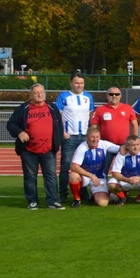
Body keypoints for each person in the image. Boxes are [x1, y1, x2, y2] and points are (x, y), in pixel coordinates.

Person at [8, 84, 65, 209]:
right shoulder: (23, 109)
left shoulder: (52, 107)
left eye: (41, 92)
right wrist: (20, 132)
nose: (39, 95)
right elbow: (11, 124)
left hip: (48, 149)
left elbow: (59, 125)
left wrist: (58, 140)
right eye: (36, 93)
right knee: (30, 176)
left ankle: (52, 201)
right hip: (28, 150)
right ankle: (32, 201)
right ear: (31, 95)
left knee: (50, 175)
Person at [56, 74, 94, 204]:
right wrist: (63, 132)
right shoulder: (63, 96)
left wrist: (90, 133)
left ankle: (82, 192)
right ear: (71, 83)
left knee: (84, 166)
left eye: (82, 83)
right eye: (77, 83)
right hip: (70, 137)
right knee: (66, 166)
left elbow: (91, 115)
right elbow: (57, 116)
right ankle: (63, 194)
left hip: (84, 137)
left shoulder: (88, 97)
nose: (79, 85)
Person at [67, 126, 122, 207]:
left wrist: (126, 147)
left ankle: (96, 195)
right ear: (87, 138)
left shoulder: (104, 144)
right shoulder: (82, 148)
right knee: (73, 176)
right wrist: (91, 176)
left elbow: (120, 149)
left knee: (103, 203)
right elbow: (74, 167)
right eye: (92, 137)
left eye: (97, 137)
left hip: (99, 177)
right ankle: (77, 199)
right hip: (85, 177)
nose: (95, 140)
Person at [108, 136, 140, 205]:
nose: (136, 147)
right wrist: (127, 179)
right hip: (126, 181)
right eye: (133, 145)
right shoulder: (121, 154)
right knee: (111, 183)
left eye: (138, 145)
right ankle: (122, 198)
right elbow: (115, 173)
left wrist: (139, 178)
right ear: (127, 146)